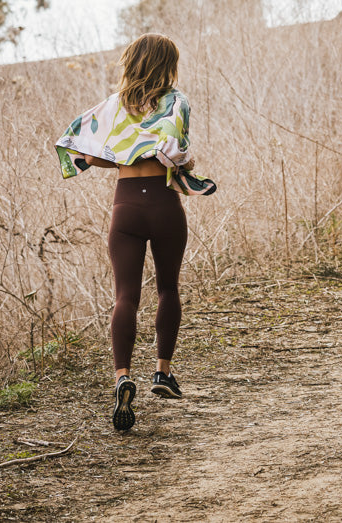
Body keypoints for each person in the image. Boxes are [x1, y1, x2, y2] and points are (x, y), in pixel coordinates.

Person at [54, 33, 216, 431]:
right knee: (168, 289)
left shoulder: (113, 106)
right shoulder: (176, 102)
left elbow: (90, 156)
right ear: (169, 64)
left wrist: (123, 155)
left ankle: (122, 375)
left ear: (132, 61)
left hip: (125, 207)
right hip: (163, 205)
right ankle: (162, 372)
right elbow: (174, 151)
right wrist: (188, 163)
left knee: (125, 295)